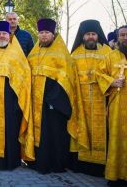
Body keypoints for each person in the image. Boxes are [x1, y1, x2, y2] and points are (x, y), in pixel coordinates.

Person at [27, 18, 88, 174]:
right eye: (41, 32)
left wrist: (53, 100)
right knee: (39, 132)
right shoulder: (34, 53)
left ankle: (56, 164)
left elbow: (66, 79)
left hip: (54, 103)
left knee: (54, 133)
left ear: (53, 34)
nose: (44, 36)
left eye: (47, 32)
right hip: (36, 102)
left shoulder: (61, 53)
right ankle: (39, 162)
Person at [0, 21, 35, 170]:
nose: (2, 36)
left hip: (9, 101)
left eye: (4, 33)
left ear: (9, 35)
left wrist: (19, 100)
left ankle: (10, 161)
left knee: (9, 130)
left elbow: (25, 76)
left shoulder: (16, 54)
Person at [69, 20, 111, 177]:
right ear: (83, 36)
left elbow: (112, 74)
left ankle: (101, 167)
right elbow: (69, 78)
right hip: (81, 99)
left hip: (102, 97)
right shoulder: (75, 54)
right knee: (82, 128)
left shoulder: (107, 52)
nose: (91, 37)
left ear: (98, 35)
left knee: (103, 130)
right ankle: (81, 165)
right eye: (88, 34)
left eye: (93, 34)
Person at [97, 25, 127, 186]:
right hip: (118, 104)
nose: (125, 37)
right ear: (118, 38)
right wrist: (112, 81)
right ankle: (115, 176)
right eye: (122, 35)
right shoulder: (110, 56)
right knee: (117, 139)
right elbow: (99, 73)